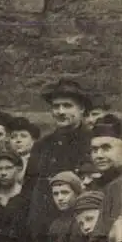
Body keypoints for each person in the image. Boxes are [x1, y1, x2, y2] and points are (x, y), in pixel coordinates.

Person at [24, 79, 93, 242]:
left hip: (81, 225)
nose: (60, 111)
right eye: (56, 106)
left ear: (82, 108)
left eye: (67, 106)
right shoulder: (42, 145)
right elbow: (29, 188)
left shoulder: (93, 142)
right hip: (44, 227)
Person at [90, 116, 122, 242]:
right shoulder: (94, 186)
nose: (98, 155)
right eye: (94, 150)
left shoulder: (118, 186)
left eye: (106, 148)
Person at [47, 171, 84, 242]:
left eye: (65, 192)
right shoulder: (55, 224)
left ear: (77, 194)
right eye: (55, 194)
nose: (60, 198)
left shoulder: (84, 221)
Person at [7, 116, 40, 183]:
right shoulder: (4, 161)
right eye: (13, 137)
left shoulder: (41, 161)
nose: (18, 140)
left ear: (33, 140)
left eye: (24, 136)